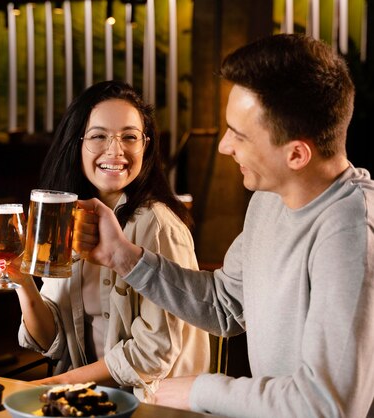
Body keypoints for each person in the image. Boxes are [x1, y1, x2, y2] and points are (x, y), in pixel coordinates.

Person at [73, 34, 374, 417]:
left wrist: (200, 391)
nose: (224, 146)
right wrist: (126, 258)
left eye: (240, 135)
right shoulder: (270, 196)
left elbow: (327, 406)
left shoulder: (350, 235)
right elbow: (224, 305)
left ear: (296, 153)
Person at [0, 80, 211, 401]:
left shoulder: (159, 225)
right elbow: (51, 338)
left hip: (156, 406)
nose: (115, 150)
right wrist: (22, 281)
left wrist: (56, 385)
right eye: (99, 136)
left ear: (146, 147)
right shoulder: (67, 218)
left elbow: (153, 354)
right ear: (77, 143)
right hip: (89, 401)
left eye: (129, 137)